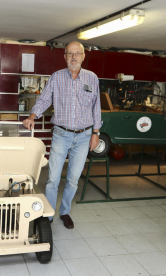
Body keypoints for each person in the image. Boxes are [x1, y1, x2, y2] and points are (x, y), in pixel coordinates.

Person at [22, 41, 101, 229]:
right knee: (53, 178)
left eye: (77, 53)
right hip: (61, 134)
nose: (73, 57)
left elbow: (96, 107)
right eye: (69, 54)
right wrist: (33, 115)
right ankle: (48, 214)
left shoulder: (92, 78)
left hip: (84, 136)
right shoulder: (56, 78)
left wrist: (96, 133)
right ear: (64, 56)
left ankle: (64, 212)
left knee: (73, 179)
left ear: (83, 56)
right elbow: (43, 100)